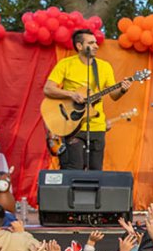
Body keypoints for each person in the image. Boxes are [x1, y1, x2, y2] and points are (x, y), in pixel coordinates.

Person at [43, 28, 132, 171]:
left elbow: (114, 96)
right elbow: (48, 89)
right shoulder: (66, 64)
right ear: (79, 46)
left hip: (97, 126)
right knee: (74, 168)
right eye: (91, 43)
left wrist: (122, 89)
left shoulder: (104, 67)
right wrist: (71, 95)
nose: (96, 46)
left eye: (96, 42)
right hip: (72, 125)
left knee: (95, 170)